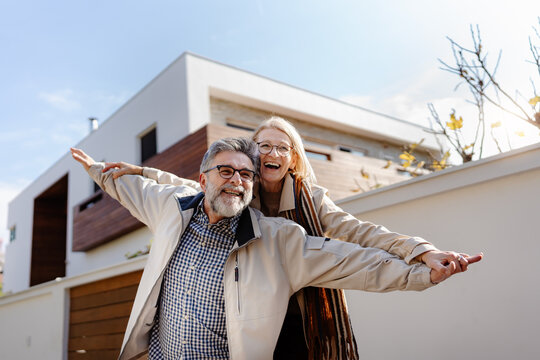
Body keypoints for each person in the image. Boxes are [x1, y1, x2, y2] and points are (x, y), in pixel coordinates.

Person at [103, 117, 482, 359]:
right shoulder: (236, 188)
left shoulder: (312, 202)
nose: (272, 152)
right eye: (263, 146)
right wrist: (142, 171)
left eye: (282, 147)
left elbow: (361, 235)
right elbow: (193, 185)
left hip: (300, 313)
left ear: (293, 159)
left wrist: (421, 253)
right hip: (247, 307)